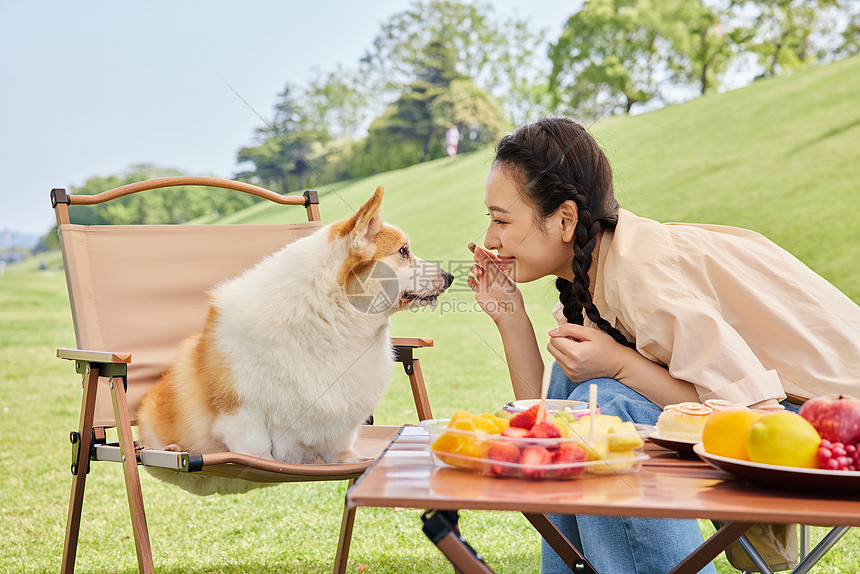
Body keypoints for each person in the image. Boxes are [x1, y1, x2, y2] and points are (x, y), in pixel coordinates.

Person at [467, 117, 860, 574]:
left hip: (826, 421)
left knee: (606, 406)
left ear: (566, 218)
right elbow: (544, 422)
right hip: (775, 412)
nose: (491, 238)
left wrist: (618, 363)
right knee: (577, 388)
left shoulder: (643, 274)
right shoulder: (595, 277)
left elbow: (748, 410)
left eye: (501, 220)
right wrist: (510, 315)